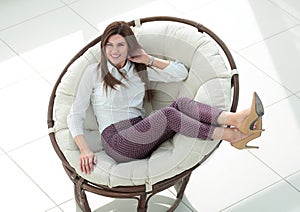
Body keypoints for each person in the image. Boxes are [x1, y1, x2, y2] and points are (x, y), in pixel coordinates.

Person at [67, 21, 264, 174]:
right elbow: (74, 115)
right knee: (169, 115)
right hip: (117, 141)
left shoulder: (139, 70)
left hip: (141, 133)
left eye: (120, 45)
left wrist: (148, 60)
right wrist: (85, 150)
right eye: (109, 45)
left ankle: (235, 120)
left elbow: (181, 73)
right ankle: (230, 135)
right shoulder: (93, 72)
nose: (114, 51)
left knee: (181, 104)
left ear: (130, 47)